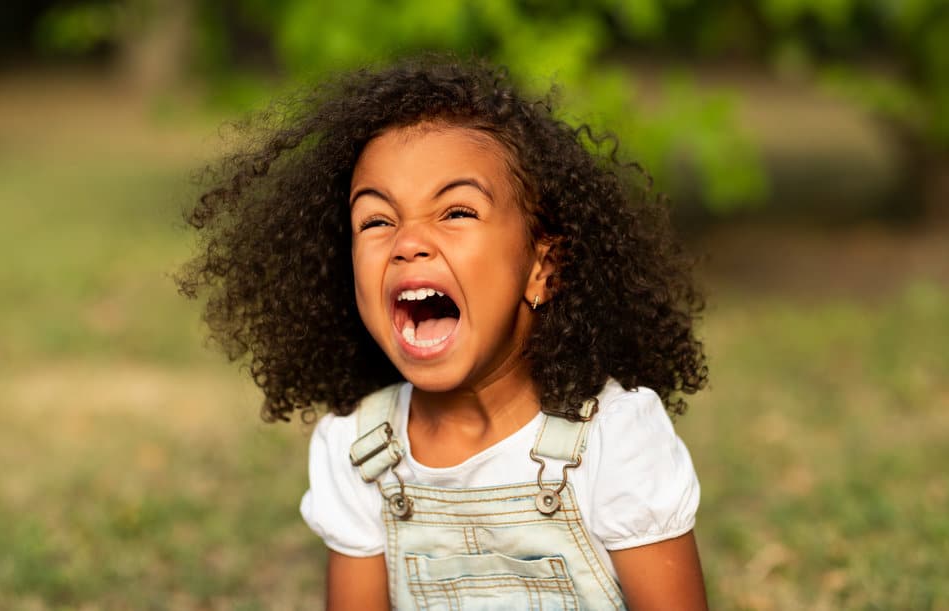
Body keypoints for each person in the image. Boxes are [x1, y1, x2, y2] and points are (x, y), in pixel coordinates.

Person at [178, 56, 709, 610]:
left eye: (456, 211)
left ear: (543, 268)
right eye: (377, 221)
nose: (408, 241)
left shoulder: (613, 439)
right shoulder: (360, 449)